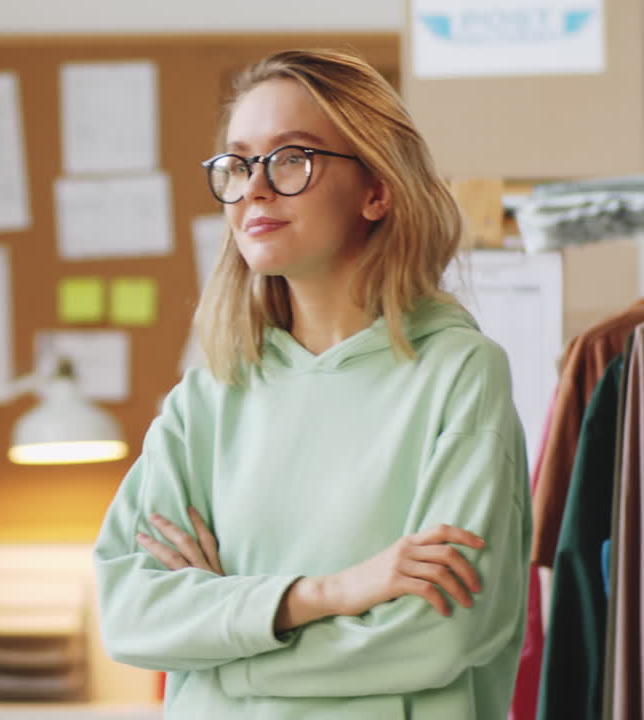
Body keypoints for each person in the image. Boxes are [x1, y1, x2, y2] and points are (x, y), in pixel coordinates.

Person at [93, 49, 530, 718]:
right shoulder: (208, 395)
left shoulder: (460, 375)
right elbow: (130, 614)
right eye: (238, 165)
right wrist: (331, 592)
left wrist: (223, 654)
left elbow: (436, 637)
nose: (255, 190)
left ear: (377, 190)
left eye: (292, 158)